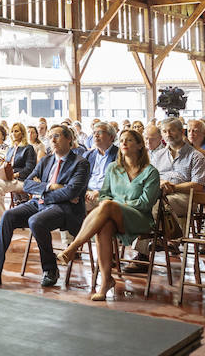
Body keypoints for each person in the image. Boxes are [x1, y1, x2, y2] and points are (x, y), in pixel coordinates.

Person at [0, 124, 90, 288]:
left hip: (66, 210)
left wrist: (47, 192)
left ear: (69, 139)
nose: (52, 140)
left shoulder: (81, 163)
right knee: (8, 216)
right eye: (51, 136)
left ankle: (50, 268)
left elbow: (71, 193)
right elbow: (28, 184)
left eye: (57, 136)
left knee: (36, 221)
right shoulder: (46, 160)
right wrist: (50, 187)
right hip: (41, 202)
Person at [56, 129, 159, 301]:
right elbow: (104, 194)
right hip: (113, 215)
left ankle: (73, 247)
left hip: (139, 219)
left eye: (130, 140)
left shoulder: (150, 172)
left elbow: (145, 203)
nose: (124, 143)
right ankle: (106, 281)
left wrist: (117, 205)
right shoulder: (113, 168)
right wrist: (111, 206)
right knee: (104, 227)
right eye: (122, 140)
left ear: (140, 145)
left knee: (108, 206)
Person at [124, 117, 205, 273]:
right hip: (159, 194)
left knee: (153, 206)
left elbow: (198, 186)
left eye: (172, 130)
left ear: (182, 132)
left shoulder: (196, 156)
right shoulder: (157, 155)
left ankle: (142, 255)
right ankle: (158, 238)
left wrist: (174, 187)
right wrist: (160, 182)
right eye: (164, 131)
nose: (168, 134)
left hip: (185, 197)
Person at [0, 122, 37, 222]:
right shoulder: (11, 148)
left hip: (21, 180)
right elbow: (6, 165)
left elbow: (30, 168)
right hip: (9, 179)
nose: (13, 134)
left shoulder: (28, 148)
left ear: (22, 133)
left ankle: (0, 219)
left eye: (16, 131)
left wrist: (15, 174)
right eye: (12, 131)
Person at [83, 122, 119, 212]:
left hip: (107, 195)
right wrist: (83, 191)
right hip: (87, 193)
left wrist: (99, 192)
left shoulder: (119, 155)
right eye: (94, 132)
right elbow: (81, 177)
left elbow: (119, 181)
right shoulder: (88, 155)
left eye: (100, 132)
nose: (96, 135)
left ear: (111, 137)